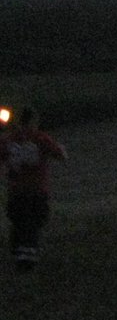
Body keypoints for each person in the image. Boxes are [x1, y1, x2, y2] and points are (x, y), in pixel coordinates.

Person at [3, 108, 67, 272]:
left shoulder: (8, 140)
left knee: (19, 223)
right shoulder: (40, 138)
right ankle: (27, 259)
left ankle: (19, 254)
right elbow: (61, 155)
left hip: (16, 192)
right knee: (33, 224)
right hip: (37, 190)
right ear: (33, 121)